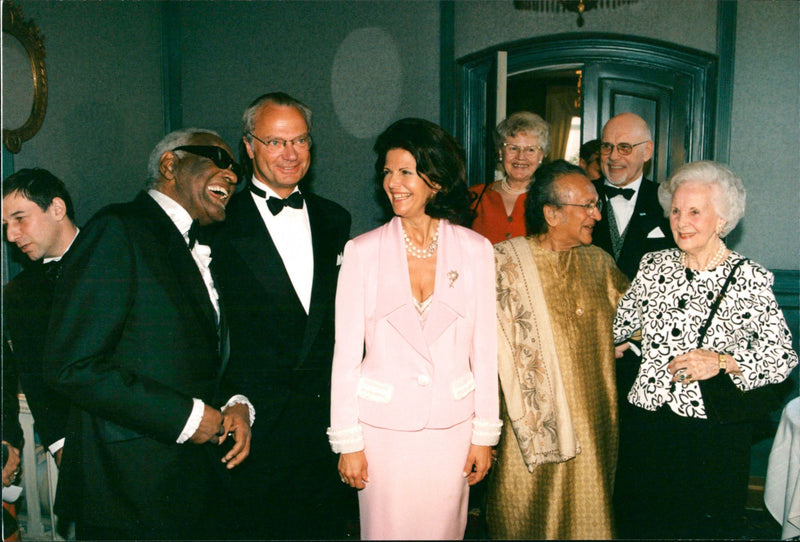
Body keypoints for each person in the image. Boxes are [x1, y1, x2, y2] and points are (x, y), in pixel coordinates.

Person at [43, 128, 252, 540]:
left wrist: (236, 403)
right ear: (169, 164)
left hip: (187, 490)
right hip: (127, 495)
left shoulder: (198, 245)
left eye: (236, 169)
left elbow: (200, 357)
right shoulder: (118, 228)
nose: (232, 175)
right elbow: (71, 365)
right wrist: (189, 418)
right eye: (218, 159)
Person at [328, 118, 502, 540]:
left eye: (406, 171)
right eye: (387, 172)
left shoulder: (476, 251)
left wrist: (485, 435)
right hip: (383, 432)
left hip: (452, 428)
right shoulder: (362, 252)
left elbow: (485, 349)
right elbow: (346, 354)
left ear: (435, 179)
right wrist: (348, 441)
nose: (393, 183)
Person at [613, 160, 798, 539]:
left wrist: (722, 361)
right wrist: (622, 340)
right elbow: (620, 324)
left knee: (700, 527)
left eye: (695, 212)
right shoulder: (653, 266)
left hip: (710, 433)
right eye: (676, 211)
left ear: (722, 219)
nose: (681, 222)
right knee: (642, 523)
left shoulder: (748, 277)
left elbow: (782, 356)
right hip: (647, 423)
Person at [209, 92, 354, 540]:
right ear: (249, 146)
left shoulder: (336, 219)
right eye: (275, 142)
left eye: (300, 141)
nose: (290, 154)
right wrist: (232, 399)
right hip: (253, 426)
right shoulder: (217, 220)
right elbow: (205, 328)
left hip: (325, 428)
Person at [486, 160, 629, 539]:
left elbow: (640, 322)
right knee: (523, 514)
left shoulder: (600, 263)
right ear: (551, 213)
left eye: (596, 204)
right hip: (526, 425)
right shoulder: (502, 264)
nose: (597, 215)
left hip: (594, 422)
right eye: (587, 206)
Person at [2, 169, 78, 488]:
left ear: (56, 209)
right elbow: (32, 375)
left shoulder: (121, 257)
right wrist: (59, 444)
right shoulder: (17, 294)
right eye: (5, 226)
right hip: (77, 445)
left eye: (20, 219)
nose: (10, 235)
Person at [592, 112, 674, 280]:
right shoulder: (580, 199)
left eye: (624, 147)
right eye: (607, 146)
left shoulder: (668, 201)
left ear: (647, 151)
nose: (613, 156)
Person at [470, 111, 551, 244]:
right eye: (513, 148)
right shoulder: (475, 197)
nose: (520, 157)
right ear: (501, 152)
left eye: (530, 150)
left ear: (541, 156)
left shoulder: (551, 200)